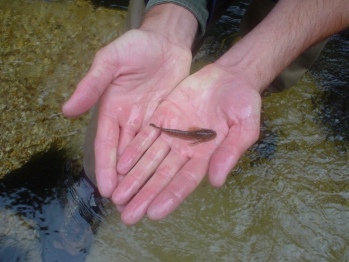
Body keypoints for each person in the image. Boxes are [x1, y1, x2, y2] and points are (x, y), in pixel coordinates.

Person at [62, 0, 349, 225]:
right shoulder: (199, 135)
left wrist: (251, 69)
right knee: (134, 71)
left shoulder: (199, 135)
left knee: (269, 63)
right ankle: (93, 193)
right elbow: (196, 136)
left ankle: (247, 99)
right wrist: (166, 24)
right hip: (168, 31)